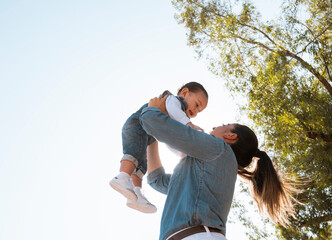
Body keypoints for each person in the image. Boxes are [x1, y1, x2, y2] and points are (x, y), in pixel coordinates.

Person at [140, 96, 299, 240]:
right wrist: (151, 139)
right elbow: (157, 180)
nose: (215, 126)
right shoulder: (205, 166)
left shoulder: (219, 149)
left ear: (231, 136)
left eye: (224, 125)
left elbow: (153, 122)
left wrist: (152, 109)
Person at [109, 82, 208, 213]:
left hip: (147, 135)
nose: (195, 111)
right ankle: (122, 176)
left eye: (199, 111)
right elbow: (174, 111)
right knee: (134, 154)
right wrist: (188, 123)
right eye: (196, 104)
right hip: (137, 125)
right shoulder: (172, 100)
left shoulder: (177, 116)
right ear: (184, 93)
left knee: (141, 165)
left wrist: (181, 153)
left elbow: (168, 140)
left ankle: (136, 194)